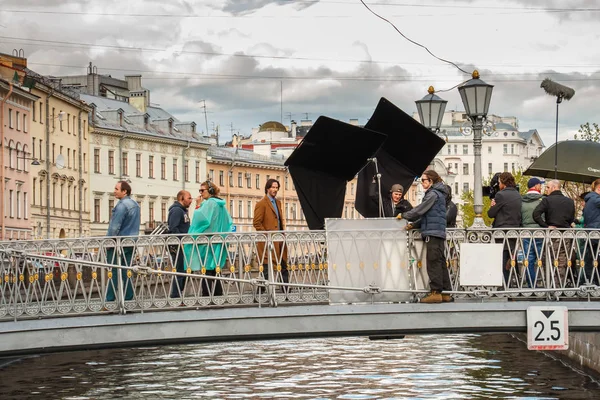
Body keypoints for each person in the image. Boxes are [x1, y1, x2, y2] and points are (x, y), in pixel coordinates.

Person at [398, 170, 451, 303]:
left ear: (431, 181)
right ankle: (446, 292)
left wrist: (404, 215)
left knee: (433, 263)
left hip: (432, 233)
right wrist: (414, 225)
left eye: (423, 180)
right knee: (440, 262)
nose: (421, 183)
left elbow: (420, 209)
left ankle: (435, 293)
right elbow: (429, 215)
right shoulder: (440, 194)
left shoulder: (432, 194)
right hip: (438, 231)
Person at [184, 181, 233, 297]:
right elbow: (228, 222)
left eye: (202, 190)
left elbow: (200, 220)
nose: (200, 193)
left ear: (210, 191)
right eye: (199, 191)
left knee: (206, 269)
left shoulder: (209, 203)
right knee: (215, 269)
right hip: (218, 241)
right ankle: (218, 295)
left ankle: (206, 296)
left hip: (207, 242)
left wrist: (198, 206)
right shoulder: (220, 204)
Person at [533, 179, 575, 283]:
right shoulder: (570, 201)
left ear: (554, 187)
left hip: (552, 234)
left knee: (549, 259)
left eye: (547, 187)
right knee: (562, 260)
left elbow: (536, 214)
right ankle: (560, 285)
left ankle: (551, 285)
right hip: (565, 234)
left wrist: (546, 226)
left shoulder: (547, 200)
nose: (546, 189)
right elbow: (571, 218)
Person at [106, 180, 141, 302]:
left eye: (116, 189)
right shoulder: (135, 205)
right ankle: (128, 299)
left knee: (113, 271)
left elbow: (114, 227)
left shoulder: (121, 205)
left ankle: (109, 300)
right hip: (131, 242)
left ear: (124, 191)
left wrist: (108, 243)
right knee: (127, 271)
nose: (114, 191)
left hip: (118, 243)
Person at [487, 172, 522, 285]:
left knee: (503, 260)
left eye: (499, 182)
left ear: (503, 182)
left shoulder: (500, 195)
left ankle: (504, 284)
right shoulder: (517, 194)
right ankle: (516, 282)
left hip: (502, 232)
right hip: (515, 230)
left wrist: (492, 205)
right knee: (512, 259)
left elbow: (491, 214)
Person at [253, 178, 289, 288]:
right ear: (267, 188)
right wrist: (266, 235)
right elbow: (256, 223)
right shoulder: (261, 203)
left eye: (277, 188)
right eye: (273, 187)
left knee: (283, 264)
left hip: (279, 239)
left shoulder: (278, 202)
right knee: (266, 265)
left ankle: (286, 288)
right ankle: (263, 289)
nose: (275, 189)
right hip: (268, 241)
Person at [167, 190, 192, 298]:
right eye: (189, 198)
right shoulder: (177, 211)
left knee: (184, 270)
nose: (191, 201)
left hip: (182, 244)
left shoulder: (182, 211)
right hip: (178, 245)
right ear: (181, 198)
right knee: (180, 270)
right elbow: (173, 228)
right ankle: (175, 295)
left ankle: (178, 293)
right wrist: (182, 240)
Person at [521, 177, 545, 288]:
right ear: (536, 186)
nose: (541, 187)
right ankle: (546, 283)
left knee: (528, 259)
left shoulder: (522, 200)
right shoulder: (543, 199)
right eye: (540, 185)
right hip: (540, 232)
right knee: (542, 258)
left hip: (526, 232)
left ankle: (532, 284)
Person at [583, 179, 600, 285]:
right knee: (594, 258)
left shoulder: (590, 199)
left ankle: (591, 281)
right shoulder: (596, 200)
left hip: (591, 231)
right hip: (596, 232)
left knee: (591, 258)